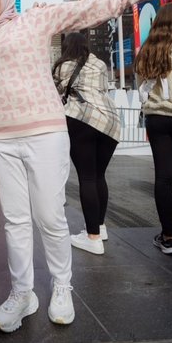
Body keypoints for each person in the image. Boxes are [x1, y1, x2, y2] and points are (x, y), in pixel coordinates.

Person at [0, 0, 172, 333]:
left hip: (44, 132)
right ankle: (22, 293)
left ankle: (62, 287)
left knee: (51, 217)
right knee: (15, 220)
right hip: (1, 137)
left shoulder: (34, 20)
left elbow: (85, 11)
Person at [134, 2, 172, 256]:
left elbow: (141, 86)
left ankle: (168, 238)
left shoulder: (148, 50)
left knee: (163, 176)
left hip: (158, 118)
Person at [52, 32, 120, 255]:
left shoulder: (63, 66)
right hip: (109, 122)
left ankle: (93, 238)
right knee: (99, 176)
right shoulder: (99, 63)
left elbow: (55, 93)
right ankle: (100, 227)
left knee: (87, 177)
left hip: (81, 119)